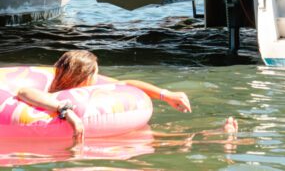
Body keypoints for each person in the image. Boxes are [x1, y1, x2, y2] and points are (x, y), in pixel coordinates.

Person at [15, 50, 192, 143]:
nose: (98, 77)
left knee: (159, 137)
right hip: (55, 140)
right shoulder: (50, 91)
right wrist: (67, 112)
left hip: (86, 139)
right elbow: (24, 92)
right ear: (85, 76)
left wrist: (166, 95)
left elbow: (126, 84)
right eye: (96, 73)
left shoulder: (89, 92)